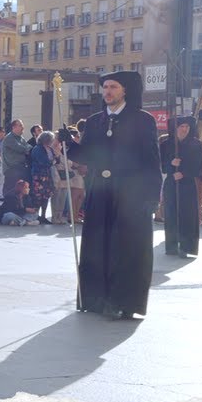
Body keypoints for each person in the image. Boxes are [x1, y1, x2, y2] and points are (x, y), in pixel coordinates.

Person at [63, 71, 161, 320]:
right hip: (100, 192)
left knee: (127, 247)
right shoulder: (95, 121)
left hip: (131, 194)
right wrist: (69, 145)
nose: (107, 91)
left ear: (125, 90)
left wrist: (152, 195)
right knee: (98, 245)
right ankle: (95, 299)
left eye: (113, 87)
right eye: (105, 87)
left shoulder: (142, 120)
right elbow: (88, 156)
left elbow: (151, 159)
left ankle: (124, 302)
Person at [159, 116, 202, 258]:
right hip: (171, 183)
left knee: (187, 214)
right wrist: (171, 164)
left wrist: (184, 172)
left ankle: (186, 247)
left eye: (187, 127)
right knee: (171, 214)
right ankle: (172, 245)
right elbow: (160, 164)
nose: (184, 129)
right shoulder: (166, 144)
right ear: (175, 128)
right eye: (181, 127)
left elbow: (200, 165)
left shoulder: (196, 144)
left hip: (187, 184)